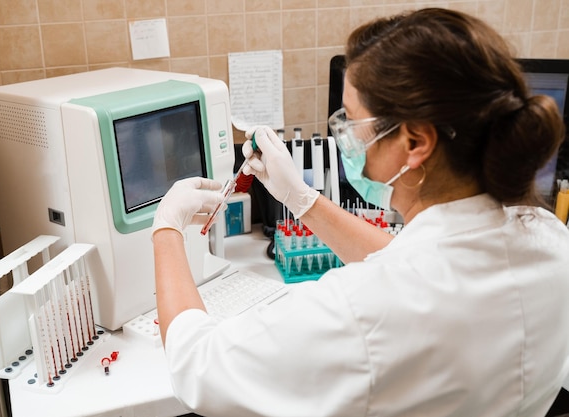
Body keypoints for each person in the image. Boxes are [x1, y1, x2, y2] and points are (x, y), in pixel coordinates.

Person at [151, 7, 569, 417]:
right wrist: (303, 200)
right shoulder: (550, 241)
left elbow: (198, 367)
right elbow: (415, 264)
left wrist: (168, 228)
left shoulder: (362, 310)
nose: (345, 137)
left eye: (351, 121)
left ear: (415, 142)